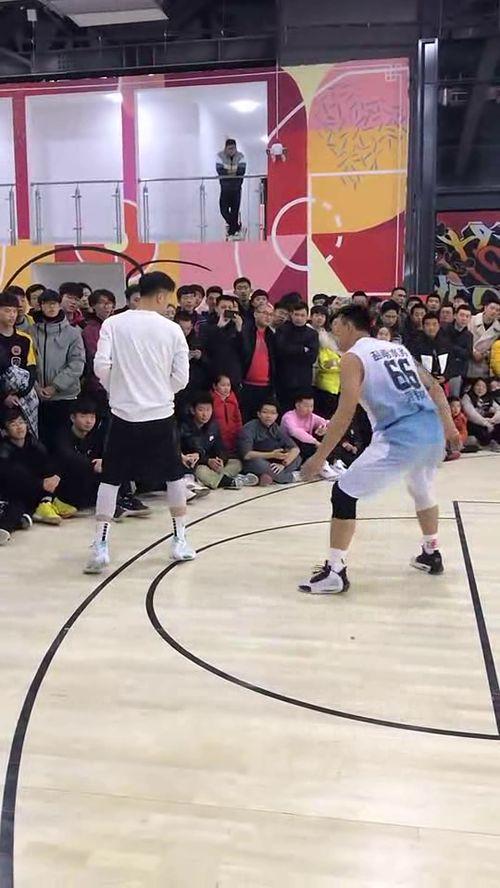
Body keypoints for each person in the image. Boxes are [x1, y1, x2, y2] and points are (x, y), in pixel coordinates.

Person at [299, 304, 460, 594]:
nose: (334, 336)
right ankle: (431, 552)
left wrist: (318, 457)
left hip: (400, 437)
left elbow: (345, 411)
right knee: (422, 489)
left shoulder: (353, 357)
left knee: (343, 493)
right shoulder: (397, 349)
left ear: (348, 325)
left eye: (336, 329)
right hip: (430, 432)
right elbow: (435, 388)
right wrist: (449, 428)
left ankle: (335, 572)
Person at [84, 271, 195, 574]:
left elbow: (100, 366)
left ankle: (101, 544)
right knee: (174, 477)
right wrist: (160, 392)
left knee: (111, 478)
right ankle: (180, 539)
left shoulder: (113, 324)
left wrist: (119, 391)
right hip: (160, 414)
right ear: (160, 296)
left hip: (123, 414)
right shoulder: (172, 330)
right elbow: (181, 377)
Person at [0, 406, 76, 526]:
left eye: (21, 422)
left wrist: (55, 476)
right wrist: (40, 484)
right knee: (17, 504)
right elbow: (13, 477)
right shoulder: (4, 451)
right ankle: (41, 506)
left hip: (35, 486)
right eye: (13, 424)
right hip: (12, 492)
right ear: (4, 431)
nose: (19, 427)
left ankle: (47, 502)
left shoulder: (33, 443)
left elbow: (47, 463)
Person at [32, 289, 85, 450]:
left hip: (65, 397)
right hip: (37, 397)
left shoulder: (73, 333)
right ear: (40, 306)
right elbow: (28, 364)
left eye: (54, 304)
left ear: (59, 305)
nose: (51, 307)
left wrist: (55, 386)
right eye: (47, 304)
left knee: (63, 443)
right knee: (41, 443)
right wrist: (36, 387)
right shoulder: (31, 331)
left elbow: (77, 363)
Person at [180, 392, 257, 490]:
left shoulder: (213, 425)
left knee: (236, 463)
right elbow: (190, 452)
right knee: (200, 471)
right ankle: (231, 481)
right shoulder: (185, 427)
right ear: (192, 410)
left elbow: (220, 447)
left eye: (208, 410)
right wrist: (208, 461)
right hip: (197, 464)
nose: (205, 414)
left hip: (212, 463)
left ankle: (217, 479)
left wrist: (220, 460)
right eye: (201, 410)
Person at [0, 290, 38, 434]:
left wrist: (19, 395)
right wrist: (4, 397)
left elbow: (32, 369)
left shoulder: (25, 339)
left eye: (14, 311)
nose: (12, 315)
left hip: (21, 399)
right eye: (7, 311)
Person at [238, 399, 302, 485]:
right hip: (255, 460)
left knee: (297, 457)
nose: (268, 416)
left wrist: (283, 464)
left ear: (277, 415)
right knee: (260, 464)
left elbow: (295, 448)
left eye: (273, 413)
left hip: (273, 461)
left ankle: (268, 477)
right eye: (265, 412)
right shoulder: (249, 428)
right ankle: (291, 477)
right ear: (259, 414)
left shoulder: (276, 428)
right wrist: (271, 454)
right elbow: (247, 455)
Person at [281, 392, 338, 479]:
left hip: (307, 445)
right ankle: (319, 465)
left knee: (327, 437)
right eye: (306, 406)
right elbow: (295, 432)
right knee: (307, 442)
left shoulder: (311, 416)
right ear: (297, 405)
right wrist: (315, 442)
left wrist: (324, 429)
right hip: (289, 446)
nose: (309, 409)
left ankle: (331, 462)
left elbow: (325, 422)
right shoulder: (288, 417)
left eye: (311, 406)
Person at [275, 301, 319, 411]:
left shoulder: (312, 334)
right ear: (291, 315)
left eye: (302, 315)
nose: (299, 318)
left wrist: (291, 350)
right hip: (283, 380)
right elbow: (280, 350)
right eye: (296, 315)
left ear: (307, 316)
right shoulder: (282, 330)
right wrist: (302, 349)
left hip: (303, 381)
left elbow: (312, 357)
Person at [239, 301, 276, 421]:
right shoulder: (245, 331)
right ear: (255, 314)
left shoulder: (272, 336)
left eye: (271, 314)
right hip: (246, 385)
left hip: (266, 387)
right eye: (265, 313)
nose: (268, 317)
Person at [202, 294, 243, 388]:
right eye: (223, 307)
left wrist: (239, 329)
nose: (227, 310)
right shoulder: (206, 326)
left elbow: (243, 351)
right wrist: (219, 327)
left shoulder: (238, 326)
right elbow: (207, 348)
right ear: (216, 309)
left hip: (233, 376)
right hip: (213, 375)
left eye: (230, 307)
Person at [409, 313, 451, 385]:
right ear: (423, 326)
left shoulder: (446, 342)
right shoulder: (416, 343)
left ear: (439, 326)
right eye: (428, 325)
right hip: (423, 382)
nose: (431, 328)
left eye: (434, 324)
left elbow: (451, 362)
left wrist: (446, 377)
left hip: (442, 380)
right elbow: (415, 364)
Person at [216, 139, 246, 238]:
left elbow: (241, 172)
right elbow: (220, 171)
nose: (232, 150)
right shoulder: (220, 156)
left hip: (236, 188)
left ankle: (233, 231)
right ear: (225, 148)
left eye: (233, 148)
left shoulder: (241, 157)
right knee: (223, 210)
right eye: (230, 148)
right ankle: (236, 227)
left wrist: (229, 173)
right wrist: (233, 173)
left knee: (235, 211)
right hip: (225, 188)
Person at [461, 378, 500, 450]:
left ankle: (493, 441)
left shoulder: (489, 397)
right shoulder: (467, 397)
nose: (480, 388)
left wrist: (493, 420)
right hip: (473, 423)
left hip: (488, 422)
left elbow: (498, 409)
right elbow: (471, 414)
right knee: (482, 431)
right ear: (473, 386)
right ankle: (486, 443)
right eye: (478, 385)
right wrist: (486, 423)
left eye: (483, 387)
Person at [314, 318, 341, 419]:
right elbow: (326, 365)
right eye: (335, 324)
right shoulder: (324, 341)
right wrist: (342, 363)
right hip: (326, 387)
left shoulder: (346, 343)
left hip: (340, 388)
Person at [468, 292, 500, 379]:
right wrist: (473, 352)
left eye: (497, 310)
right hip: (467, 361)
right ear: (485, 308)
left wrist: (484, 354)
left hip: (482, 367)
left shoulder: (498, 330)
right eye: (492, 308)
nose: (494, 312)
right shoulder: (471, 320)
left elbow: (494, 350)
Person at [211, 374, 244, 455]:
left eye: (228, 385)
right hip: (218, 436)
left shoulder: (233, 399)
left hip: (233, 435)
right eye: (223, 385)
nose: (226, 388)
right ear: (215, 386)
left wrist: (240, 432)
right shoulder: (212, 400)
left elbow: (238, 418)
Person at [446, 304, 473, 397]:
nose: (464, 318)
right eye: (462, 315)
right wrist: (459, 350)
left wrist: (452, 347)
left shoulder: (469, 335)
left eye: (467, 316)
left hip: (458, 372)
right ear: (455, 315)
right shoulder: (445, 330)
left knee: (455, 398)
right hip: (444, 369)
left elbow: (467, 354)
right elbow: (443, 348)